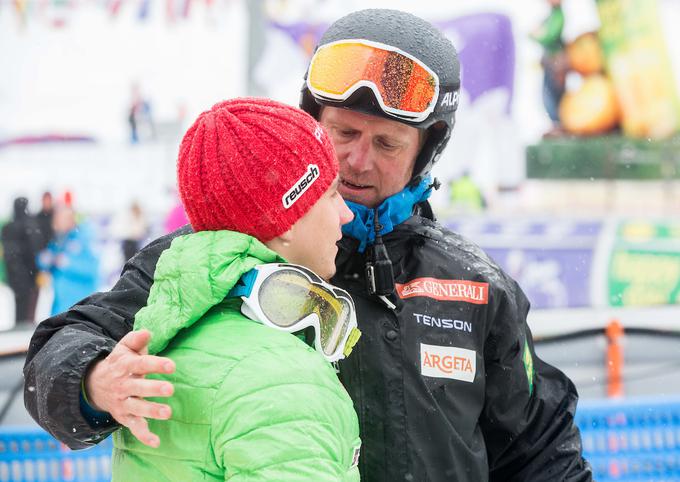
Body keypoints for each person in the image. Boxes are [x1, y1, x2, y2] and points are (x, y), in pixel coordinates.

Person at [24, 9, 592, 481]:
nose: (358, 160)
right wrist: (93, 380)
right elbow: (61, 349)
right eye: (342, 132)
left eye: (388, 143)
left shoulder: (472, 287)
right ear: (311, 123)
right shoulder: (217, 260)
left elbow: (540, 450)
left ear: (426, 151)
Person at [110, 98, 359, 480]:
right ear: (286, 221)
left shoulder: (173, 338)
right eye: (330, 195)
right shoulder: (279, 378)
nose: (347, 213)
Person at [37, 205, 99, 315]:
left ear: (71, 219)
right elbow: (48, 260)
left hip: (80, 305)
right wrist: (44, 260)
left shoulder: (85, 239)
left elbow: (92, 271)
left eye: (60, 218)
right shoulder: (60, 239)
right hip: (60, 304)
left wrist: (68, 264)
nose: (56, 223)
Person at [1, 197, 41, 322]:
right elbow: (35, 250)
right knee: (29, 313)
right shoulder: (30, 226)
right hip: (29, 276)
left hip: (14, 275)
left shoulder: (7, 227)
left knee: (19, 308)